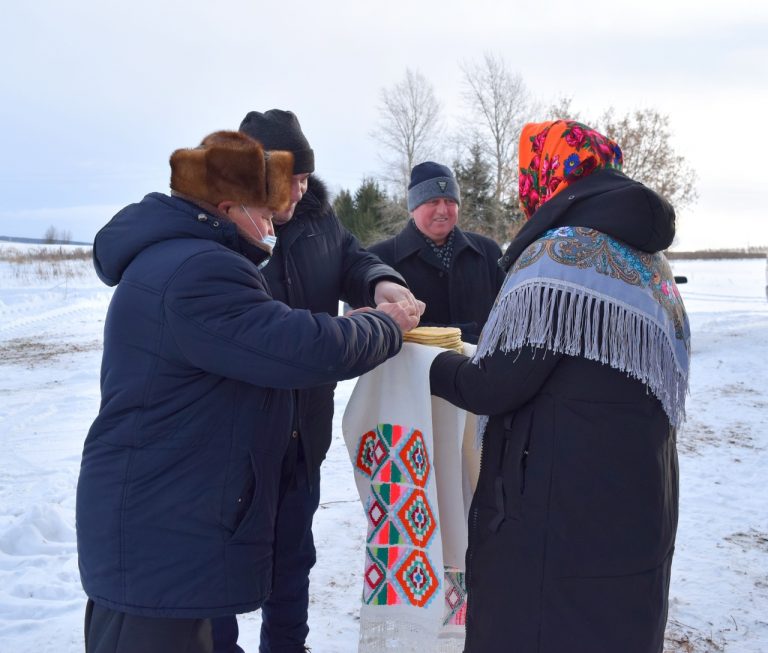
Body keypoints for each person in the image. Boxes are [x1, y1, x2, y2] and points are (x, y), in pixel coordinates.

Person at [77, 129, 420, 653]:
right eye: (264, 211)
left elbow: (344, 261)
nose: (272, 225)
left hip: (166, 524)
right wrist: (385, 325)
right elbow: (300, 347)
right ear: (226, 206)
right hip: (163, 539)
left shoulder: (178, 254)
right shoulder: (201, 270)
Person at [428, 120, 690, 652]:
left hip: (562, 515)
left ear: (545, 176)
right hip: (638, 501)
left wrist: (427, 363)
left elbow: (494, 386)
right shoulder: (648, 259)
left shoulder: (563, 256)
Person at [210, 110, 422, 653]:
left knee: (293, 558)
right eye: (290, 179)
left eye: (306, 179)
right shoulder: (222, 234)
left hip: (303, 430)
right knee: (220, 570)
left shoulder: (317, 220)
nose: (299, 191)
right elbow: (278, 342)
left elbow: (354, 259)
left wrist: (382, 284)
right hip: (236, 440)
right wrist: (370, 331)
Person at [368, 161, 506, 344]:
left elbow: (509, 314)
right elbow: (371, 332)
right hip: (412, 370)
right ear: (413, 208)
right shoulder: (379, 260)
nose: (442, 210)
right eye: (432, 201)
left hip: (483, 368)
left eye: (450, 201)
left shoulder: (488, 252)